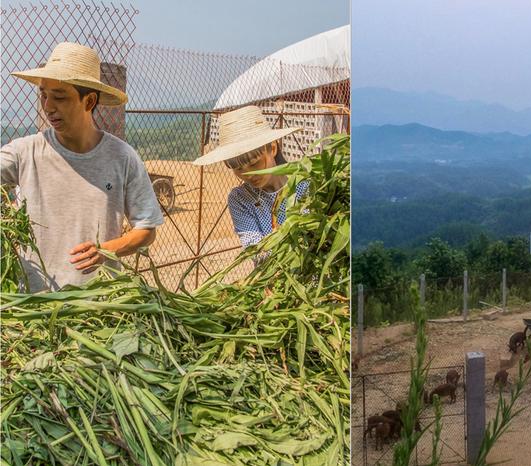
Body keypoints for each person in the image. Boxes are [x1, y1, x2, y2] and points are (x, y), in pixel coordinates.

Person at [1, 42, 164, 292]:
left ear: (89, 101)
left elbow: (146, 229)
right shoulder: (25, 152)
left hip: (99, 307)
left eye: (60, 97)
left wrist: (107, 250)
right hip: (34, 304)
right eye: (43, 95)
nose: (48, 106)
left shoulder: (122, 157)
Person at [193, 106, 307, 250]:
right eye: (238, 169)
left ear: (272, 148)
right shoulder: (241, 198)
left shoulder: (306, 186)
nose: (249, 175)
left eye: (254, 163)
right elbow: (255, 249)